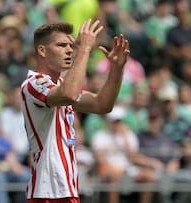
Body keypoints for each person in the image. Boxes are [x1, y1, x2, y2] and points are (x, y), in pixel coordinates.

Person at [20, 19, 129, 203]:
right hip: (48, 192)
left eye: (72, 45)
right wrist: (84, 49)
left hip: (65, 189)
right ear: (42, 51)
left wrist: (117, 69)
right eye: (62, 45)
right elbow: (69, 95)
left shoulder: (61, 86)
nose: (70, 50)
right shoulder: (33, 84)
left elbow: (102, 104)